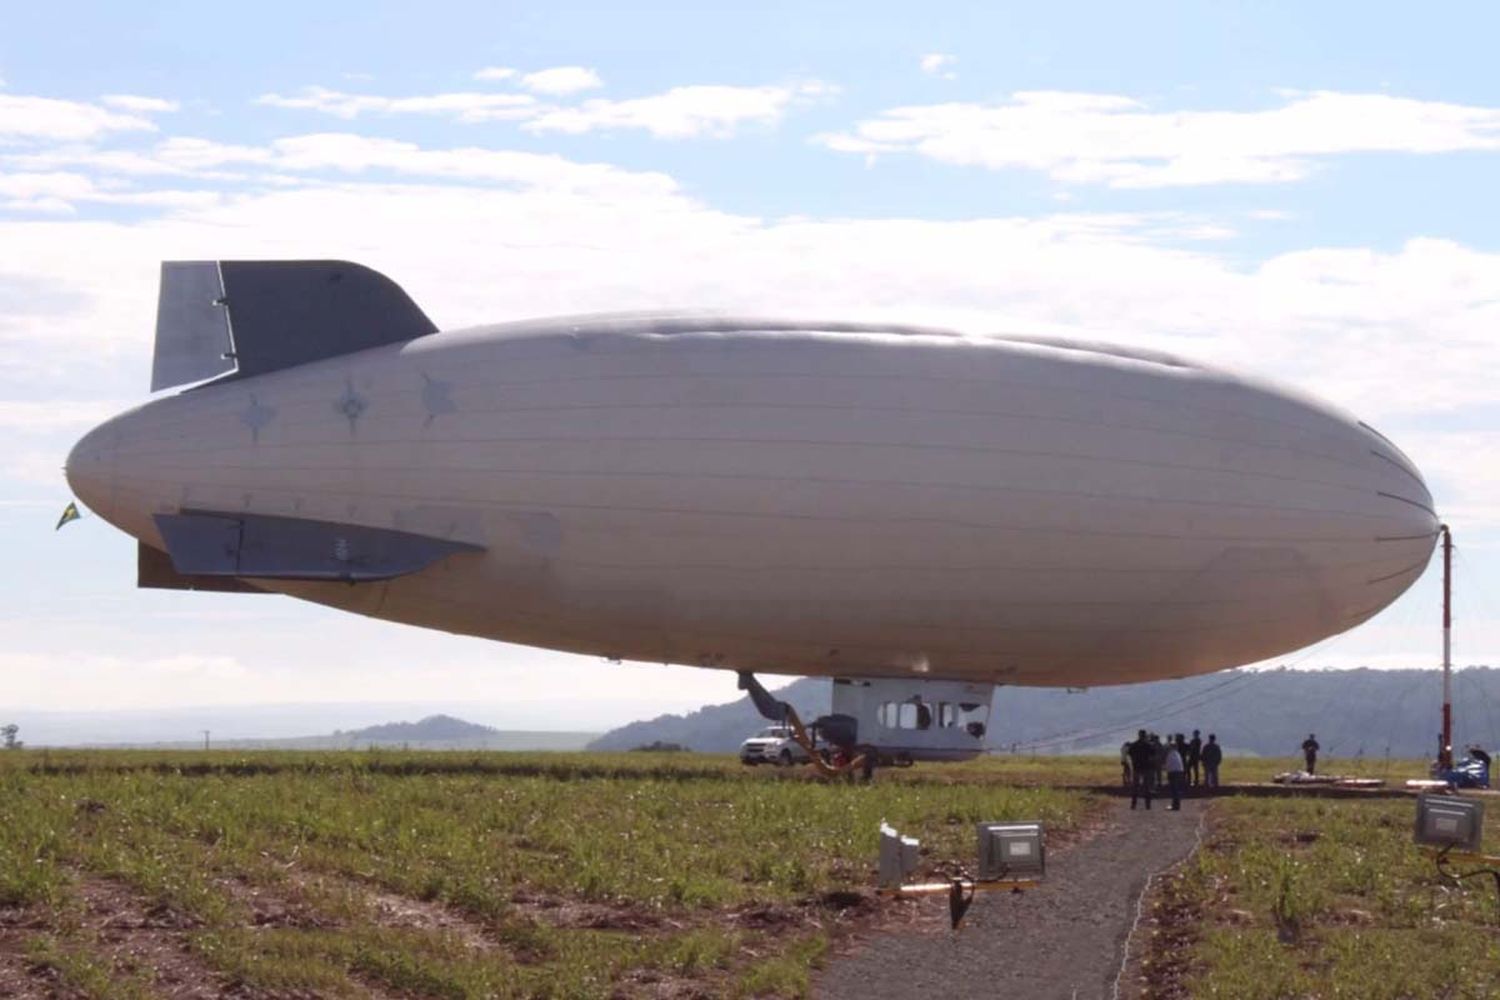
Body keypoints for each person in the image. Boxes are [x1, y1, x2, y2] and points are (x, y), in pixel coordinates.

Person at [1127, 729, 1156, 809]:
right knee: (1147, 787)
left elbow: (1129, 754)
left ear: (1138, 735)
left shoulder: (1134, 745)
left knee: (1135, 787)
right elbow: (1153, 755)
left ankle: (1133, 804)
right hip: (1146, 767)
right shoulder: (1148, 745)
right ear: (1145, 735)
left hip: (1136, 767)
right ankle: (1148, 805)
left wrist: (1134, 761)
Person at [1165, 739, 1186, 810]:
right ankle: (1176, 804)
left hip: (1173, 773)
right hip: (1179, 772)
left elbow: (1168, 765)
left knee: (1174, 789)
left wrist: (1167, 772)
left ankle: (1175, 805)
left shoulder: (1170, 754)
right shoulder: (1178, 754)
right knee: (1177, 789)